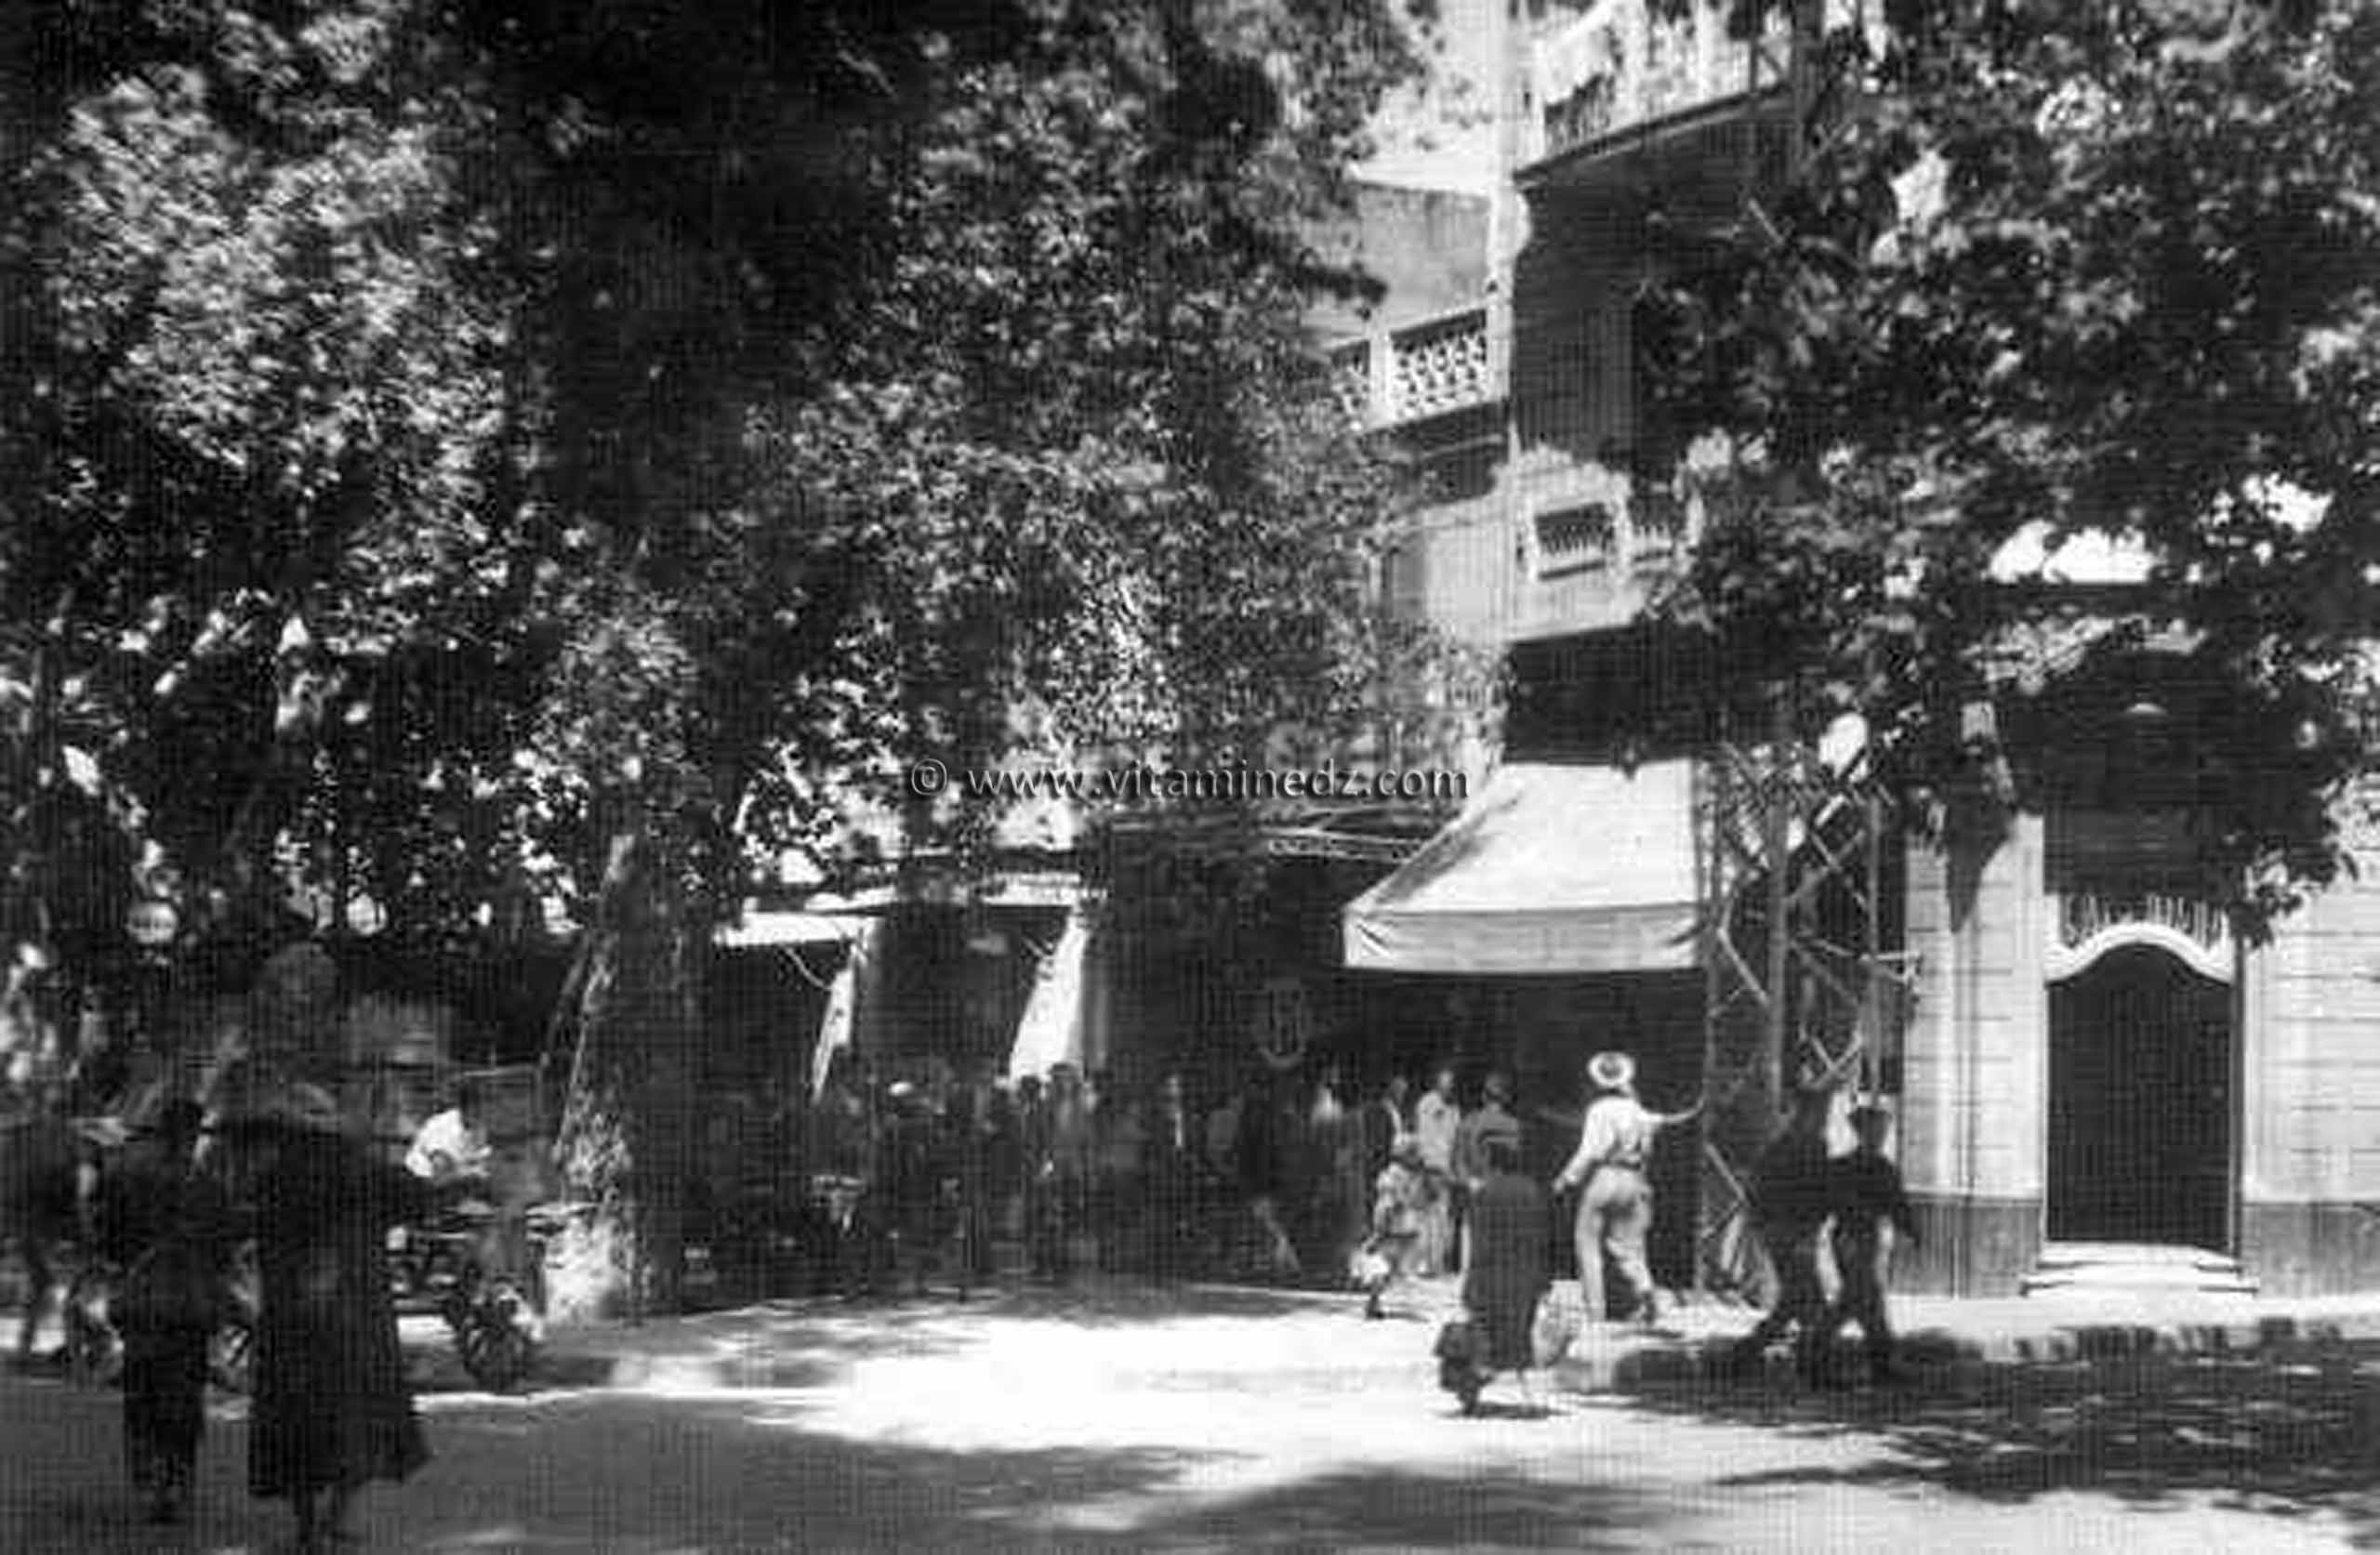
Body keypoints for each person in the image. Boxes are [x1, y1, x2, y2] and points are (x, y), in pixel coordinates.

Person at [215, 1100, 431, 1551]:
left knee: (294, 1425)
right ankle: (337, 1516)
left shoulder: (277, 1179)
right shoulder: (365, 1172)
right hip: (357, 1323)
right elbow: (418, 1198)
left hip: (293, 1325)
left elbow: (239, 1218)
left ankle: (307, 1525)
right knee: (358, 1421)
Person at [94, 1097, 238, 1524]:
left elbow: (109, 1238)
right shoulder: (209, 1185)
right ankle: (178, 1477)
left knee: (140, 1389)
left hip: (142, 1301)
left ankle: (147, 1472)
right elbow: (223, 1250)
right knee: (187, 1391)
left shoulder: (128, 1175)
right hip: (189, 1306)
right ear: (193, 1134)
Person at [1552, 1050, 1700, 1324]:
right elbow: (1664, 1124)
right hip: (1633, 1179)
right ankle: (1645, 1293)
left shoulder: (1599, 1110)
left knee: (1587, 1243)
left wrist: (1566, 1179)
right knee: (1629, 1247)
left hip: (1605, 1176)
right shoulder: (1639, 1112)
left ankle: (1596, 1311)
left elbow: (1590, 1151)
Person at [1727, 1083, 1840, 1383]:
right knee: (1810, 1301)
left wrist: (1764, 1225)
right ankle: (1814, 1370)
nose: (1823, 1117)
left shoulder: (1784, 1144)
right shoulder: (1809, 1145)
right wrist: (1806, 1232)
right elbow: (1815, 1194)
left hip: (1783, 1231)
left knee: (1794, 1300)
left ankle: (1743, 1357)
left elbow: (1756, 1188)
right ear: (1807, 1112)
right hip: (1794, 1232)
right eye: (1819, 1111)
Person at [1448, 1136, 1551, 1414]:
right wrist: (1544, 1279)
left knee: (1482, 1338)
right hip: (1526, 1276)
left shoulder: (1485, 1194)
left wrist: (1469, 1284)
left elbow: (1480, 1244)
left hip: (1492, 1277)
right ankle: (1531, 1398)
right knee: (1520, 1337)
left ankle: (1470, 1394)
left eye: (1483, 1158)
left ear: (1492, 1161)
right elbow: (1542, 1239)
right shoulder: (1533, 1191)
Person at [1821, 1101, 1920, 1384]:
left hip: (1869, 1236)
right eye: (1875, 1130)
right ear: (1862, 1132)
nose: (1880, 1136)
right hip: (1850, 1237)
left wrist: (1911, 1231)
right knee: (1858, 1298)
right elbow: (1830, 1201)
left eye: (1883, 1131)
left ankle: (1882, 1365)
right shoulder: (1845, 1167)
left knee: (1866, 1300)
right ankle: (1813, 1352)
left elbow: (1898, 1204)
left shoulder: (1883, 1168)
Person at [1451, 1071, 1522, 1274]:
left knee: (1472, 1242)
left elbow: (1457, 1161)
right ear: (1506, 1099)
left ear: (1483, 1097)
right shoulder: (1514, 1126)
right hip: (1505, 1191)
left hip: (1476, 1189)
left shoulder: (1468, 1123)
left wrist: (1470, 1182)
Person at [1358, 1135, 1430, 1320]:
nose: (1418, 1157)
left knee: (1391, 1268)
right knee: (1387, 1267)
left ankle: (1374, 1299)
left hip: (1401, 1227)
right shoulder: (1395, 1175)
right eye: (1414, 1153)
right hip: (1395, 1227)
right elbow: (1388, 1204)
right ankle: (1372, 1300)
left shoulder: (1405, 1174)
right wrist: (1380, 1230)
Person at [1411, 1064, 1461, 1274]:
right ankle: (1422, 1262)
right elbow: (1424, 1136)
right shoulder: (1427, 1103)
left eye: (1451, 1083)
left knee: (1442, 1216)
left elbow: (1455, 1140)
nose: (1448, 1087)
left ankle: (1437, 1262)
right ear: (1437, 1083)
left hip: (1447, 1169)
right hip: (1431, 1166)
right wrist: (1426, 1165)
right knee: (1426, 1216)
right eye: (1445, 1082)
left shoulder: (1454, 1109)